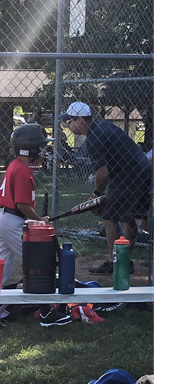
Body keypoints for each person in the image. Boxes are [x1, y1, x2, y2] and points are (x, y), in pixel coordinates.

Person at [0, 123, 51, 330]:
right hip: (12, 220)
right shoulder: (22, 171)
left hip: (6, 219)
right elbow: (22, 205)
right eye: (41, 147)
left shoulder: (17, 165)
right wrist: (39, 220)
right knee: (36, 264)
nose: (44, 151)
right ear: (30, 149)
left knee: (3, 270)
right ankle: (51, 310)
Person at [60, 102, 152, 275]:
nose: (68, 126)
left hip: (129, 175)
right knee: (130, 218)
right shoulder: (102, 125)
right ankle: (124, 261)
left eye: (69, 122)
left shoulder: (93, 138)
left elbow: (102, 173)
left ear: (79, 120)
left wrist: (96, 194)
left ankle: (114, 261)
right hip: (142, 170)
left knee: (109, 217)